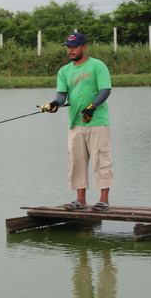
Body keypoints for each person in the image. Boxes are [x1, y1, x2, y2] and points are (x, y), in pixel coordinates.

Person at [40, 32, 114, 212]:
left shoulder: (97, 65)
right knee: (76, 161)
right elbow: (61, 94)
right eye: (68, 47)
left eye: (74, 47)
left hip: (97, 122)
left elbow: (105, 89)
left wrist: (92, 106)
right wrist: (54, 103)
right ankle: (80, 200)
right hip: (75, 124)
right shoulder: (64, 71)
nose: (70, 50)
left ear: (84, 47)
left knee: (101, 160)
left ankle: (103, 200)